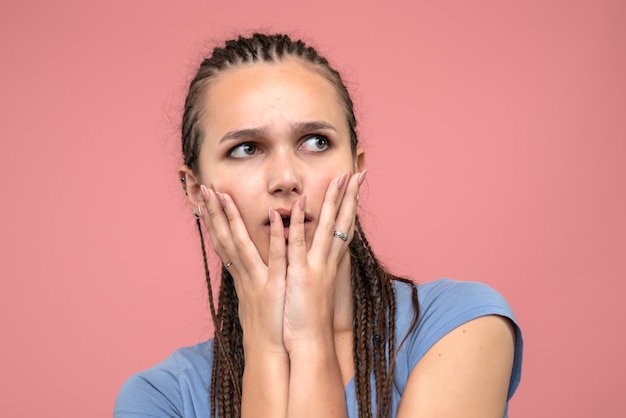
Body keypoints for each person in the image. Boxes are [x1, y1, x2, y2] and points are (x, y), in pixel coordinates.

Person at [114, 33, 523, 418]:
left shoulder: (461, 326)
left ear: (357, 168)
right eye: (245, 148)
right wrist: (267, 348)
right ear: (194, 189)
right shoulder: (161, 399)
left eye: (315, 141)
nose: (286, 178)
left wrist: (309, 340)